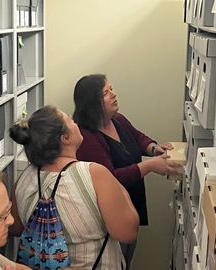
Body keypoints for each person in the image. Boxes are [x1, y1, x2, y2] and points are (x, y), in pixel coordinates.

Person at [73, 74, 182, 269]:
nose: (114, 95)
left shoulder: (118, 120)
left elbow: (138, 138)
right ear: (92, 103)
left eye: (112, 89)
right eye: (106, 93)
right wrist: (148, 167)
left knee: (126, 260)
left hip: (128, 208)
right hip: (107, 220)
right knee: (115, 261)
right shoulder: (87, 137)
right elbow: (109, 179)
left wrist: (153, 148)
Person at [9, 105, 139, 269]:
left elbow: (15, 228)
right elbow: (127, 232)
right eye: (70, 120)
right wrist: (122, 192)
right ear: (65, 138)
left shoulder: (23, 179)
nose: (75, 123)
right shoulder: (94, 174)